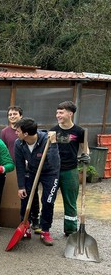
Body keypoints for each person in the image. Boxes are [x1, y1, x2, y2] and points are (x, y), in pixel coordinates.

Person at [15, 118, 60, 245]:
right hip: (33, 171)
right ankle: (26, 226)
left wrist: (54, 144)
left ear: (25, 134)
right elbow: (20, 166)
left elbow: (54, 163)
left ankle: (45, 230)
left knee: (48, 201)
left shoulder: (47, 140)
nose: (15, 133)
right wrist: (21, 186)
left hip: (50, 173)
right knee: (25, 197)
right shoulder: (19, 143)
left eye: (17, 131)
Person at [50, 101, 89, 236]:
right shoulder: (53, 130)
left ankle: (70, 230)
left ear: (70, 114)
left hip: (70, 170)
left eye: (61, 112)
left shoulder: (79, 131)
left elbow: (85, 148)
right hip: (53, 171)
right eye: (57, 112)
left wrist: (86, 156)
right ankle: (45, 228)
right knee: (48, 200)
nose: (57, 115)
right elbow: (47, 150)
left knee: (70, 201)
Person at [1, 105, 41, 233]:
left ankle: (35, 219)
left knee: (32, 193)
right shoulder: (4, 132)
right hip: (13, 166)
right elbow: (4, 149)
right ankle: (21, 220)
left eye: (15, 114)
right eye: (10, 114)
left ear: (20, 116)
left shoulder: (27, 129)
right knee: (19, 192)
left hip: (29, 167)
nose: (12, 116)